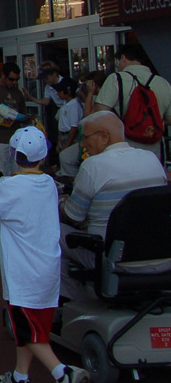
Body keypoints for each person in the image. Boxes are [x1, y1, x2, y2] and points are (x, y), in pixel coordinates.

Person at [0, 126, 90, 383]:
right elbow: (13, 192)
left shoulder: (10, 188)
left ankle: (63, 374)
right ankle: (21, 380)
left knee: (27, 330)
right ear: (43, 156)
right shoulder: (47, 183)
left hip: (22, 275)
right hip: (47, 272)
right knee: (35, 330)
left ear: (12, 153)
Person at [59, 111, 167, 300]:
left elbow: (73, 216)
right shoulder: (152, 159)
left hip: (115, 259)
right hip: (162, 258)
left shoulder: (93, 166)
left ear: (104, 136)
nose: (83, 144)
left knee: (52, 233)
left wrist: (61, 202)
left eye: (85, 138)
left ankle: (79, 304)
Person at [93, 41, 171, 137]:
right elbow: (169, 118)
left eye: (118, 60)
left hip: (125, 142)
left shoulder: (116, 79)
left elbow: (100, 113)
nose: (117, 65)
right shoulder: (163, 83)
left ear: (123, 58)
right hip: (154, 145)